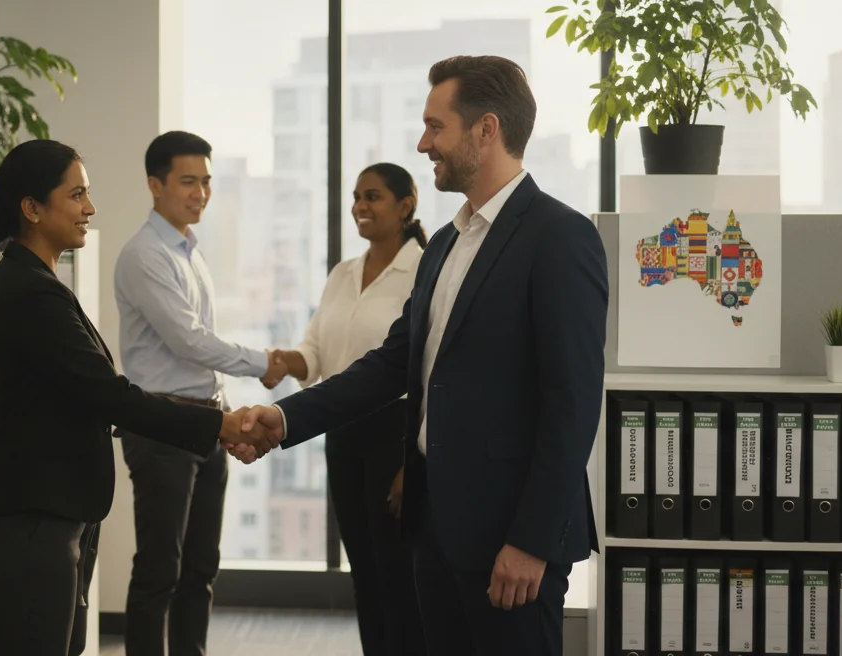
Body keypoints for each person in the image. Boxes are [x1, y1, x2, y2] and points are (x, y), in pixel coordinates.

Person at [233, 56, 608, 656]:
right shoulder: (444, 246)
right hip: (436, 532)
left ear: (486, 130)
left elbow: (573, 403)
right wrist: (285, 419)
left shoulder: (559, 237)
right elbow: (390, 365)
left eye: (436, 127)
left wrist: (532, 541)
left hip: (511, 543)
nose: (422, 142)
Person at [0, 139, 281, 656]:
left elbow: (85, 397)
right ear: (33, 209)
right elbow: (112, 396)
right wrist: (219, 425)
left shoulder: (38, 281)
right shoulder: (30, 291)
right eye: (77, 194)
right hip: (28, 523)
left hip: (47, 518)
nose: (90, 208)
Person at [112, 131, 288, 656]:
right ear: (154, 184)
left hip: (208, 422)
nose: (201, 193)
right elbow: (188, 341)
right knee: (159, 572)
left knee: (200, 571)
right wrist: (266, 364)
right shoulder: (145, 254)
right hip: (163, 427)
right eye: (188, 181)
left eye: (207, 181)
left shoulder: (189, 250)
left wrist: (227, 411)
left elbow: (198, 352)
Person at [273, 162, 427, 656]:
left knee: (397, 572)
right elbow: (316, 349)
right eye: (356, 196)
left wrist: (412, 460)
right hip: (342, 434)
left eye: (373, 196)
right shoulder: (343, 273)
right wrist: (275, 362)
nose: (360, 206)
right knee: (364, 568)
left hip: (395, 437)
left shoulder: (423, 270)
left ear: (405, 207)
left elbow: (428, 370)